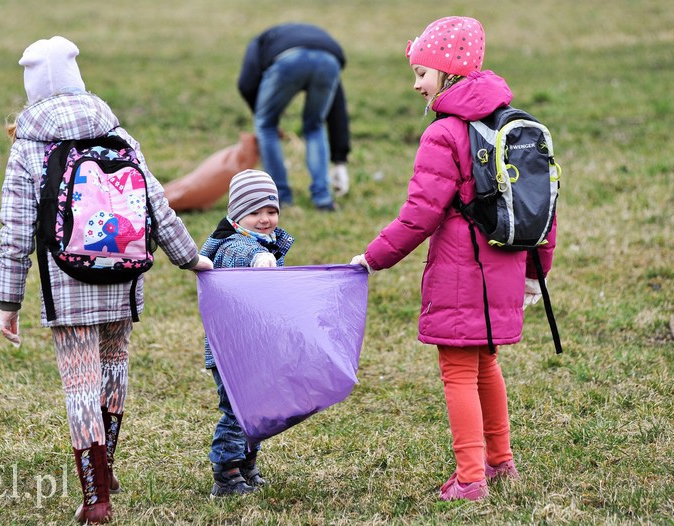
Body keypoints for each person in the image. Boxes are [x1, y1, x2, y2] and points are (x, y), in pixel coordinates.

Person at [0, 36, 212, 524]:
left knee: (80, 384)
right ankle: (105, 464)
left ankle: (96, 499)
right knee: (115, 365)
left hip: (66, 282)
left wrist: (9, 301)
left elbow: (14, 231)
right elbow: (157, 202)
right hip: (123, 273)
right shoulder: (119, 135)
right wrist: (189, 257)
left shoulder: (29, 146)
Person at [350, 16, 556, 501]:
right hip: (504, 267)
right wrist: (535, 271)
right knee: (485, 364)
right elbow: (543, 207)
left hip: (464, 274)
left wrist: (373, 258)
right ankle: (501, 462)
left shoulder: (445, 135)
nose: (416, 84)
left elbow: (420, 215)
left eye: (421, 72)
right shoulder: (511, 122)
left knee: (458, 372)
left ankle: (470, 479)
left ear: (447, 72)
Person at [199, 169, 295, 496]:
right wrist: (260, 258)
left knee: (257, 410)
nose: (265, 219)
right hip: (232, 351)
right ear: (237, 216)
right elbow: (243, 254)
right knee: (236, 412)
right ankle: (225, 474)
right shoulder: (236, 245)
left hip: (257, 347)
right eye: (255, 212)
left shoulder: (268, 241)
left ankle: (246, 465)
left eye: (271, 211)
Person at [237, 23, 349, 210]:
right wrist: (340, 160)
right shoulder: (319, 41)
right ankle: (323, 198)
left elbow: (246, 84)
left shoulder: (259, 42)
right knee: (315, 125)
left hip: (288, 59)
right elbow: (337, 109)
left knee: (265, 125)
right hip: (330, 58)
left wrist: (263, 114)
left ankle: (280, 197)